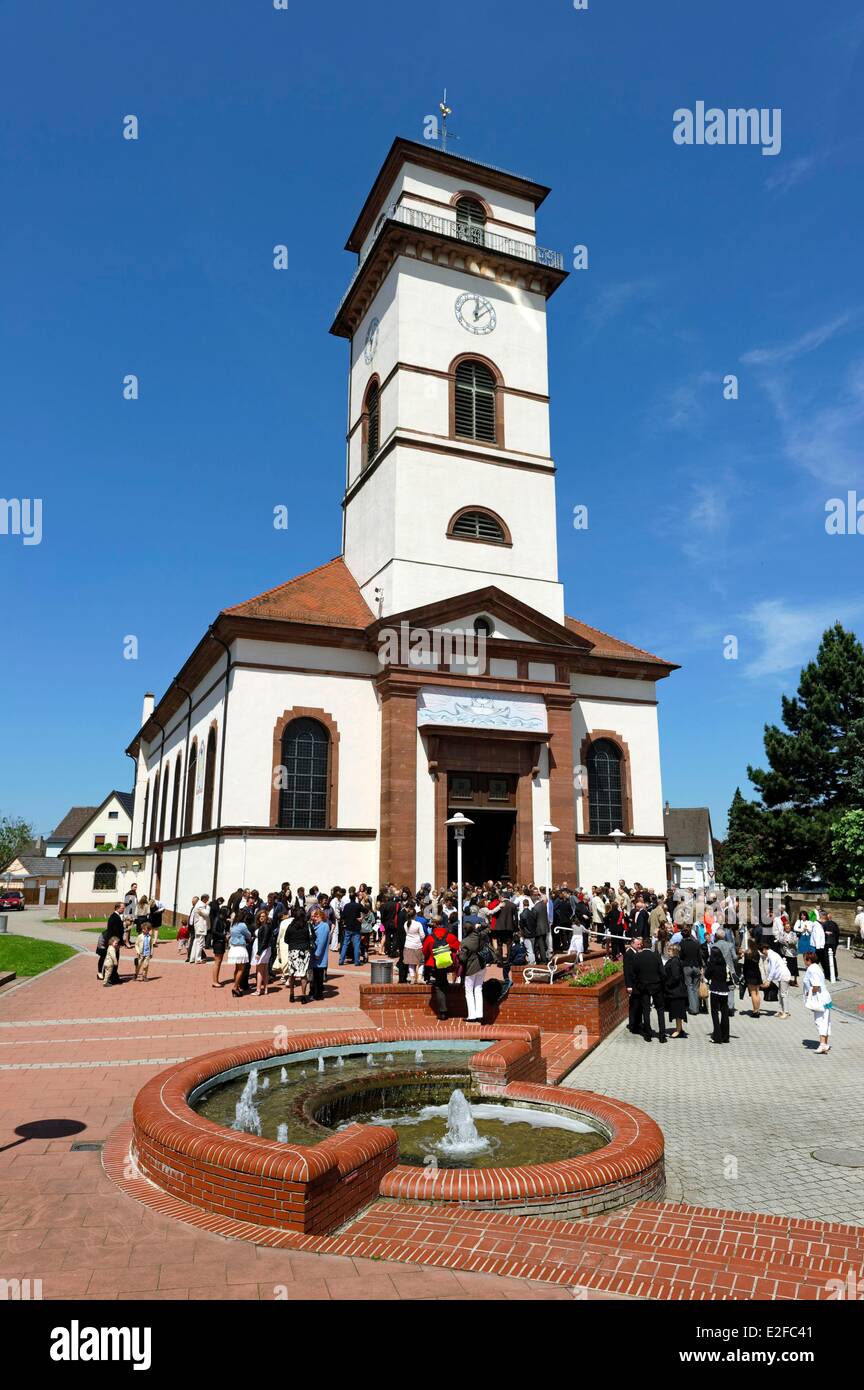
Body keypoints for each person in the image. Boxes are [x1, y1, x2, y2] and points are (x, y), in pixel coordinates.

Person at [422, 916, 460, 1020]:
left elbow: (425, 951)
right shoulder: (450, 936)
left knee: (439, 985)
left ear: (433, 924)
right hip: (448, 963)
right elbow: (457, 947)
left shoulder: (430, 937)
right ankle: (447, 1002)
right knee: (443, 982)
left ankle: (443, 1011)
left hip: (435, 964)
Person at [459, 917, 492, 1022]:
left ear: (465, 930)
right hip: (481, 966)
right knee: (478, 990)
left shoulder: (465, 942)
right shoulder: (480, 936)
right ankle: (479, 1014)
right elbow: (488, 926)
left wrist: (459, 954)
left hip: (471, 967)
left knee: (469, 992)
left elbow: (463, 958)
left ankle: (472, 1015)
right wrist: (480, 926)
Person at [633, 940, 666, 1041]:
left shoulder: (637, 956)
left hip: (644, 987)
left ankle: (647, 1035)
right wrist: (661, 982)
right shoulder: (656, 956)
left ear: (642, 945)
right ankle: (662, 1036)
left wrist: (639, 984)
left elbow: (635, 973)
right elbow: (662, 972)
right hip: (656, 986)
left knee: (646, 1010)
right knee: (660, 1009)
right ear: (651, 945)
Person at [802, 950, 833, 1054]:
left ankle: (822, 1044)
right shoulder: (816, 967)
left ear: (808, 960)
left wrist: (809, 994)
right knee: (826, 1021)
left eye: (804, 959)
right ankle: (825, 1043)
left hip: (820, 999)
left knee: (820, 1021)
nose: (804, 962)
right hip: (825, 998)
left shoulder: (811, 969)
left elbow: (816, 985)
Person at [283, 907, 314, 1004]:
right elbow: (313, 937)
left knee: (292, 974)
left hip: (293, 952)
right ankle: (303, 995)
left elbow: (286, 940)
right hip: (304, 952)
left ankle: (291, 994)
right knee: (303, 974)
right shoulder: (308, 926)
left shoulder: (290, 926)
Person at [706, 940, 731, 1043]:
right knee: (725, 1013)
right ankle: (725, 1036)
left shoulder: (712, 965)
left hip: (715, 990)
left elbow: (707, 976)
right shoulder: (724, 965)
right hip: (724, 990)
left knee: (715, 1013)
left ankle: (717, 1036)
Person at [760, 943, 792, 1018]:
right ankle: (781, 1010)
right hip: (781, 976)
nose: (762, 953)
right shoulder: (771, 955)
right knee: (780, 994)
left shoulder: (772, 956)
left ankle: (786, 1012)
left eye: (762, 951)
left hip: (784, 976)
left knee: (783, 994)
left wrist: (768, 980)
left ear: (764, 949)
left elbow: (773, 969)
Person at [678, 924, 704, 1016]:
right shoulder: (696, 942)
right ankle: (696, 1007)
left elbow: (680, 957)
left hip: (687, 967)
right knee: (695, 988)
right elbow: (699, 956)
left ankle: (693, 1008)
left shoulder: (682, 944)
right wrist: (701, 967)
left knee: (689, 987)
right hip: (696, 966)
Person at [663, 943, 688, 1038]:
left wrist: (668, 984)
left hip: (676, 991)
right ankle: (679, 1028)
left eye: (669, 951)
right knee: (678, 1011)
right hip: (677, 991)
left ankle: (678, 1030)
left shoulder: (674, 962)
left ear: (674, 951)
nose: (668, 952)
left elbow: (676, 976)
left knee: (678, 1012)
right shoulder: (675, 960)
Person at [98, 905, 125, 980]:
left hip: (113, 941)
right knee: (113, 959)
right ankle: (112, 978)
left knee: (111, 959)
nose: (123, 909)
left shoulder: (115, 916)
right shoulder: (115, 917)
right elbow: (116, 932)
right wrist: (119, 943)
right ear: (117, 908)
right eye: (122, 908)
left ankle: (111, 976)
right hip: (114, 942)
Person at [227, 916, 252, 996]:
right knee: (241, 970)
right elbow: (248, 935)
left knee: (236, 969)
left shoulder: (233, 924)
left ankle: (236, 986)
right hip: (240, 948)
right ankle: (235, 987)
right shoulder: (242, 925)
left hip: (233, 948)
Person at [622, 936, 643, 1033]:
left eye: (640, 944)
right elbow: (627, 971)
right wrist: (628, 986)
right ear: (632, 944)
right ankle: (633, 1025)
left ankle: (638, 1023)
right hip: (632, 985)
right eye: (638, 944)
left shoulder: (636, 952)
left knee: (638, 1004)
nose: (640, 946)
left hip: (637, 984)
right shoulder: (629, 954)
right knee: (634, 1005)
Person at [338, 888, 363, 966]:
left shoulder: (346, 906)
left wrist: (346, 920)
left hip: (348, 927)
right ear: (355, 897)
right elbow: (367, 911)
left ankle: (341, 960)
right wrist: (362, 918)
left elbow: (342, 916)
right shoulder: (358, 905)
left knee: (345, 944)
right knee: (356, 945)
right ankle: (357, 961)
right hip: (356, 927)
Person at [740, 939, 763, 1017]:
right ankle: (758, 1010)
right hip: (757, 973)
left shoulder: (747, 953)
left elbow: (745, 965)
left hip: (750, 974)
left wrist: (744, 975)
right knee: (757, 993)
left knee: (753, 993)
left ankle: (755, 1011)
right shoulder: (757, 953)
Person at [188, 894, 210, 963]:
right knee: (200, 943)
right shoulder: (201, 905)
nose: (208, 901)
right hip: (200, 926)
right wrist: (208, 906)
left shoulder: (199, 905)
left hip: (198, 926)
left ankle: (193, 958)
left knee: (196, 942)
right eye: (207, 899)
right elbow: (206, 914)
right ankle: (198, 959)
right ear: (205, 899)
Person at [210, 903, 229, 987]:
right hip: (217, 942)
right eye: (228, 911)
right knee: (217, 962)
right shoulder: (217, 919)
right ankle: (214, 981)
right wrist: (224, 936)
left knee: (219, 961)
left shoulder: (223, 920)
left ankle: (216, 980)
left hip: (221, 942)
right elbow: (213, 931)